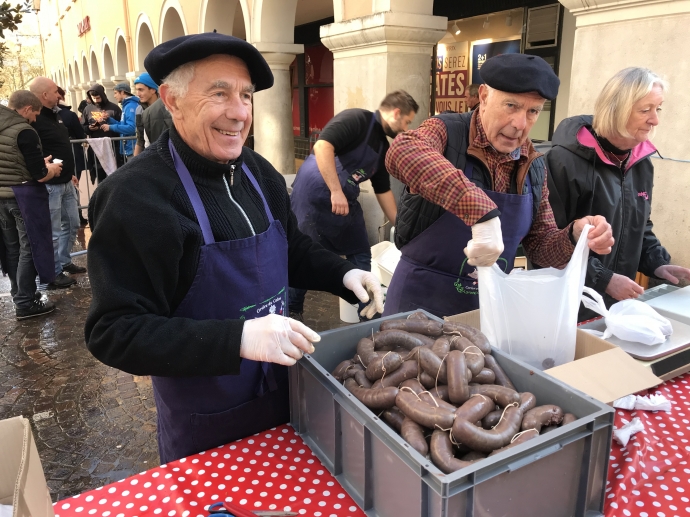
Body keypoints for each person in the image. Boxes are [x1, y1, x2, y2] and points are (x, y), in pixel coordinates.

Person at [84, 33, 384, 464]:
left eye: (246, 95)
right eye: (219, 94)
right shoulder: (134, 199)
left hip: (286, 397)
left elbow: (290, 247)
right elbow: (114, 332)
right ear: (171, 100)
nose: (239, 113)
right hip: (206, 422)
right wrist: (237, 338)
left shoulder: (258, 172)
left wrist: (342, 274)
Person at [383, 54, 614, 318]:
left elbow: (541, 246)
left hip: (486, 310)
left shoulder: (534, 166)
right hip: (417, 306)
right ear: (483, 96)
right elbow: (402, 151)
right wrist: (481, 212)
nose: (520, 124)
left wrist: (575, 234)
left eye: (533, 111)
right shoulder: (446, 132)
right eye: (511, 106)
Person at [546, 67, 690, 320]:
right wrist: (604, 279)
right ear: (616, 109)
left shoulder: (642, 162)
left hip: (619, 304)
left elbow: (639, 227)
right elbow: (548, 241)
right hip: (568, 303)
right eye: (645, 110)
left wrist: (657, 262)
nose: (655, 119)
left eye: (658, 109)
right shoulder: (563, 161)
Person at [289, 91, 418, 320]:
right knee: (304, 257)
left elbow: (383, 191)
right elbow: (323, 147)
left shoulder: (382, 149)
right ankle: (292, 311)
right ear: (396, 113)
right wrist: (335, 190)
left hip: (345, 200)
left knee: (360, 251)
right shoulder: (357, 119)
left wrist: (401, 228)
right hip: (315, 195)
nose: (405, 129)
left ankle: (367, 314)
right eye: (407, 122)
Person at [0, 90, 62, 318]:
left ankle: (20, 294)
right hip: (22, 198)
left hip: (2, 198)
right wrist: (51, 169)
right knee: (30, 248)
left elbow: (13, 161)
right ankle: (25, 303)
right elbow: (39, 175)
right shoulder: (24, 131)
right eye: (34, 113)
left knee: (12, 248)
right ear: (26, 109)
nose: (35, 118)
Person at [30, 77, 83, 288]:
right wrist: (54, 169)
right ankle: (52, 273)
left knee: (72, 224)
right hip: (50, 185)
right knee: (52, 231)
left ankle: (64, 261)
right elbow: (41, 154)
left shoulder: (57, 116)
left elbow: (59, 148)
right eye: (55, 92)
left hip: (65, 181)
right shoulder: (34, 119)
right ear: (44, 95)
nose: (59, 95)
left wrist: (67, 171)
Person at [56, 86, 88, 225]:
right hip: (72, 153)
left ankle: (71, 216)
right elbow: (80, 134)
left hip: (60, 155)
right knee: (73, 185)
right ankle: (76, 215)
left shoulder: (66, 115)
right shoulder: (68, 115)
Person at [82, 84, 123, 177]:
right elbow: (83, 127)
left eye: (98, 98)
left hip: (112, 147)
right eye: (94, 98)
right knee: (100, 177)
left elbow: (121, 126)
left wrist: (110, 123)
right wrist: (89, 128)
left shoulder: (114, 108)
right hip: (96, 149)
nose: (96, 100)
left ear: (103, 95)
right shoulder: (87, 109)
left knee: (115, 176)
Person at [100, 83, 139, 161]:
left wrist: (110, 127)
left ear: (122, 92)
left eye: (115, 93)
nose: (114, 96)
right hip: (129, 148)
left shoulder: (130, 106)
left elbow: (132, 128)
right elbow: (122, 125)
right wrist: (109, 119)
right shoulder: (127, 105)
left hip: (133, 148)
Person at [133, 72, 162, 156]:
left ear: (153, 89)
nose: (138, 94)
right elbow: (140, 139)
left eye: (141, 90)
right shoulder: (139, 110)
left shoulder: (167, 107)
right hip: (149, 156)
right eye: (137, 90)